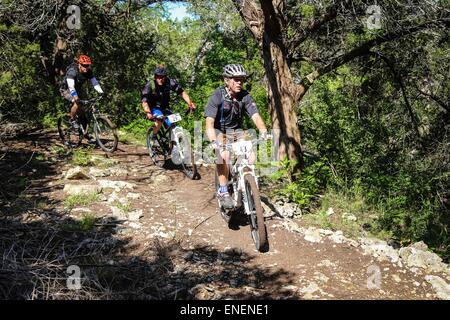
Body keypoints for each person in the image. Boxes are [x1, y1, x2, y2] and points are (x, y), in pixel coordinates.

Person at [204, 64, 269, 209]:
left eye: (242, 80)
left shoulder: (245, 96)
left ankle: (245, 183)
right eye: (236, 79)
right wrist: (214, 141)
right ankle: (223, 190)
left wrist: (263, 131)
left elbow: (255, 115)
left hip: (237, 130)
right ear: (227, 80)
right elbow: (209, 123)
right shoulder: (217, 96)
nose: (239, 82)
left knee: (251, 157)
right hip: (219, 130)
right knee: (224, 155)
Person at [141, 65, 195, 142]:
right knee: (160, 119)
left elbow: (182, 92)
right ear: (155, 76)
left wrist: (190, 103)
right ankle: (154, 137)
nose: (159, 79)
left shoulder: (170, 82)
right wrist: (148, 113)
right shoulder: (150, 84)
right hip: (153, 107)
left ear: (165, 76)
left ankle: (169, 141)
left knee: (173, 123)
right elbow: (144, 101)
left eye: (162, 77)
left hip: (165, 107)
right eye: (157, 76)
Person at [60, 54, 104, 143]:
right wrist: (75, 97)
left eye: (87, 65)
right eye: (84, 65)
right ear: (79, 64)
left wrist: (101, 92)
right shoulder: (72, 71)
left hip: (77, 90)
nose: (86, 67)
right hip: (66, 89)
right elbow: (71, 87)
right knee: (76, 102)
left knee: (83, 113)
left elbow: (95, 83)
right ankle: (72, 120)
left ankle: (86, 134)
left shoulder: (88, 72)